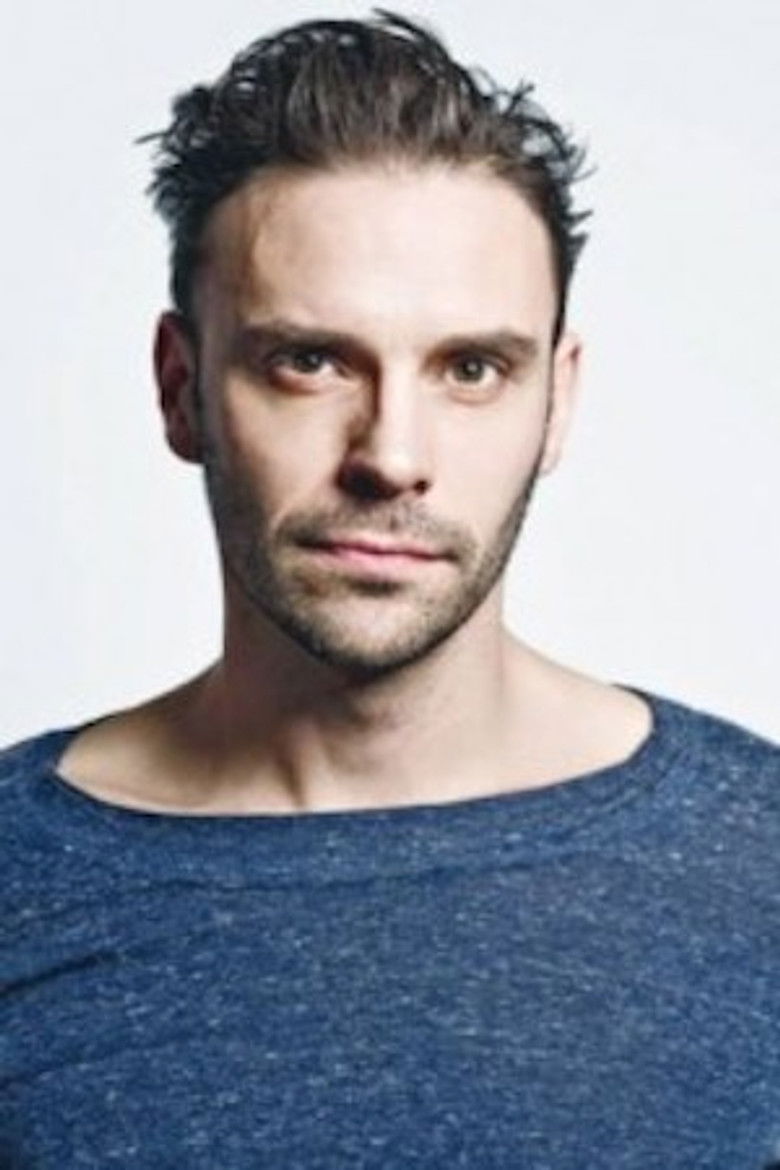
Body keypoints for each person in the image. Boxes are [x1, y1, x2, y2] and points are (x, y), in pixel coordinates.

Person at [2, 11, 778, 1168]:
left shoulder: (761, 867)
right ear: (181, 388)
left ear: (556, 401)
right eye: (309, 361)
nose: (393, 455)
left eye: (472, 368)